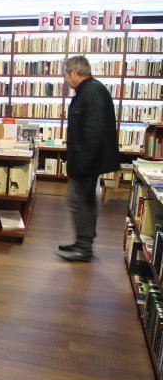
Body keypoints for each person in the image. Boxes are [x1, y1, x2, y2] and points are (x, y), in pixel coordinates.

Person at [57, 55, 120, 262]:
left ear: (74, 73)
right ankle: (82, 241)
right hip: (85, 161)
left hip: (86, 162)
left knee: (79, 201)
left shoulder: (92, 92)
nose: (66, 80)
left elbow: (93, 131)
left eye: (67, 75)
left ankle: (84, 247)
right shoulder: (90, 91)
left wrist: (82, 164)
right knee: (84, 201)